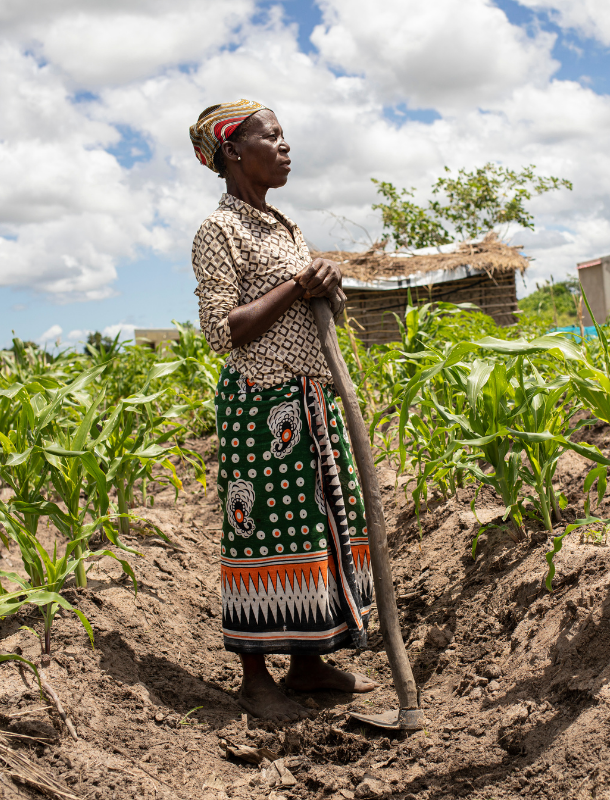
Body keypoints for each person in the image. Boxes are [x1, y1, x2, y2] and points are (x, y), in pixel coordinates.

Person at [189, 100, 378, 722]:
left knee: (318, 531)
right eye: (272, 138)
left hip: (312, 398)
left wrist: (325, 280)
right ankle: (253, 674)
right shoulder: (219, 231)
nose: (286, 146)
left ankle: (307, 663)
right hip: (261, 401)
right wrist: (299, 284)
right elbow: (224, 329)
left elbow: (316, 309)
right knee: (263, 531)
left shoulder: (284, 226)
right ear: (235, 153)